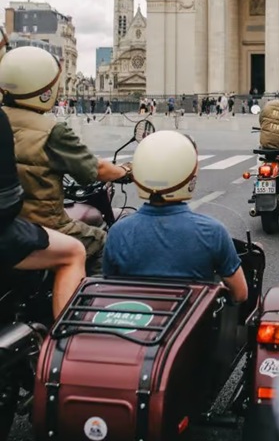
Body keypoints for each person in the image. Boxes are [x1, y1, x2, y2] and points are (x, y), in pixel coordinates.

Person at [0, 46, 131, 274]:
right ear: (44, 89)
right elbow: (95, 169)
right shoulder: (52, 131)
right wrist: (126, 171)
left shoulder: (3, 120)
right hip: (46, 224)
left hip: (12, 225)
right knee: (102, 242)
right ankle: (87, 306)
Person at [103, 131, 248, 303]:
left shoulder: (118, 232)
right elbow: (240, 294)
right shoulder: (213, 232)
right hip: (192, 326)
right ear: (189, 175)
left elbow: (110, 290)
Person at [0, 31, 86, 317]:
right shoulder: (51, 129)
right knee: (76, 250)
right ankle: (66, 341)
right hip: (8, 231)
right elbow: (7, 202)